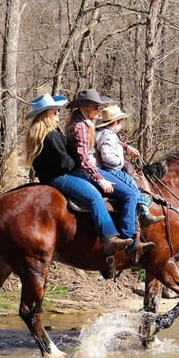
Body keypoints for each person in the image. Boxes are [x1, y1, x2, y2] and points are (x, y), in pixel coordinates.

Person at [24, 92, 133, 255]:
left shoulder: (49, 132)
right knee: (94, 196)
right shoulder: (50, 135)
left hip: (57, 174)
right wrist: (82, 163)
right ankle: (109, 237)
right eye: (55, 111)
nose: (58, 114)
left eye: (58, 111)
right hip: (59, 177)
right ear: (46, 113)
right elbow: (64, 162)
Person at [65, 88, 154, 256]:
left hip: (92, 167)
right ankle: (130, 240)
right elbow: (84, 159)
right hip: (87, 171)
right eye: (96, 108)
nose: (99, 112)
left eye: (99, 108)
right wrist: (100, 179)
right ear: (86, 108)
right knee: (130, 194)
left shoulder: (84, 123)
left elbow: (107, 139)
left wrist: (126, 148)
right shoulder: (81, 127)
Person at [95, 104, 163, 226]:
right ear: (115, 123)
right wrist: (120, 162)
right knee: (131, 183)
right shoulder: (109, 136)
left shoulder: (103, 132)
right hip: (112, 169)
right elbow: (106, 155)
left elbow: (116, 144)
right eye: (120, 122)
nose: (121, 125)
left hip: (110, 168)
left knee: (132, 182)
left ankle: (142, 207)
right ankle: (143, 210)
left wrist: (126, 149)